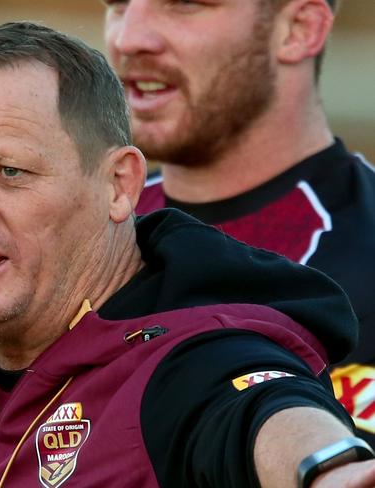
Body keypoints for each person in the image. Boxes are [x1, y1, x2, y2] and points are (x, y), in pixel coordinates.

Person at [0, 21, 375, 488]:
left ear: (119, 185)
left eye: (9, 171)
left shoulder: (189, 363)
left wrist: (330, 469)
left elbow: (261, 412)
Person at [102, 0, 375, 446]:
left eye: (184, 5)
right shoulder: (71, 237)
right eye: (117, 4)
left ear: (298, 29)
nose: (128, 37)